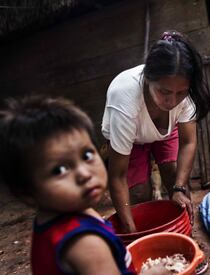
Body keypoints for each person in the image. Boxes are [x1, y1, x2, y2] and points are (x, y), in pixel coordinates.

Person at [0, 96, 171, 275]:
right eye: (59, 170)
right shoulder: (86, 244)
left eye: (87, 155)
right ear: (25, 192)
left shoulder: (53, 218)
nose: (84, 173)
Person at [101, 30, 210, 233]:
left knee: (176, 177)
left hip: (165, 132)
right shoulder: (125, 100)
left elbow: (188, 143)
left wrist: (178, 188)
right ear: (148, 78)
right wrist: (132, 232)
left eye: (181, 93)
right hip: (131, 139)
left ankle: (186, 237)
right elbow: (117, 176)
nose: (172, 101)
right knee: (139, 196)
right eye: (164, 92)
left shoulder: (186, 94)